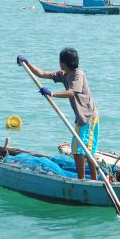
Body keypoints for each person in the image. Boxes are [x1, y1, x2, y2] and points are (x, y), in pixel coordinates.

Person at [17, 48, 99, 180]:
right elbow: (42, 74)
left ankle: (86, 180)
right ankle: (84, 179)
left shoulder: (79, 74)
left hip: (89, 118)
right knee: (79, 150)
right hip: (82, 119)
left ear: (63, 63)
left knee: (82, 151)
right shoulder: (63, 74)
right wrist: (27, 63)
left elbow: (72, 92)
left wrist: (52, 94)